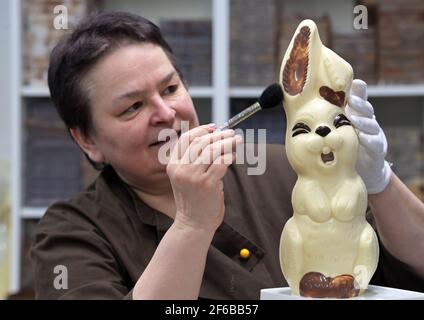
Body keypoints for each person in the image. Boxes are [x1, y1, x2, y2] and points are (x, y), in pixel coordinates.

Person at [30, 12, 424, 299]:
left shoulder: (286, 164)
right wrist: (190, 224)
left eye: (170, 89)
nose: (167, 113)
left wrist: (378, 183)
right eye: (132, 107)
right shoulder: (72, 232)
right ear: (87, 140)